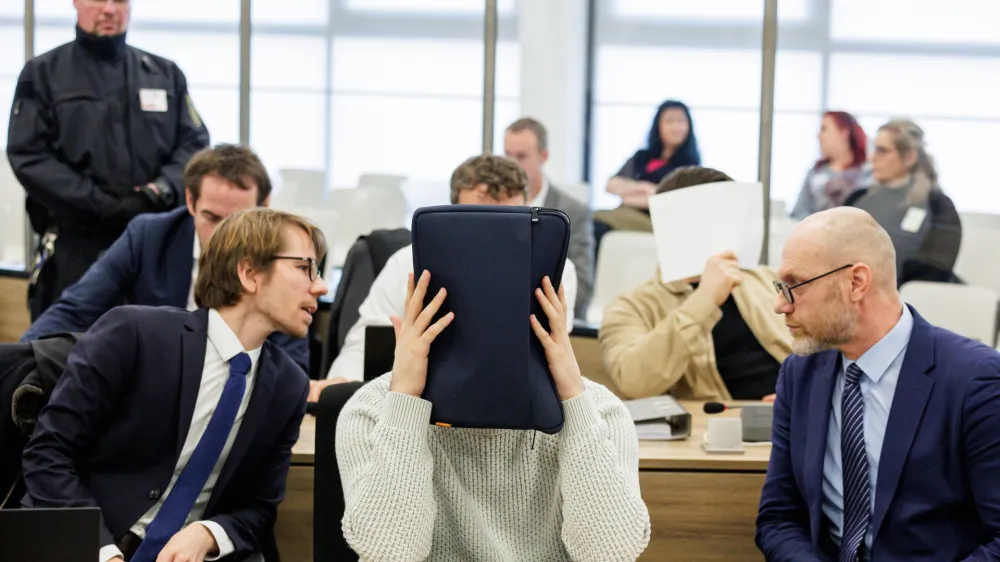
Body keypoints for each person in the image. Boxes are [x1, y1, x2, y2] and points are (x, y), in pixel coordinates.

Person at [21, 208, 328, 562]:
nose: (320, 286)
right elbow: (48, 454)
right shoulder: (134, 333)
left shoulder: (287, 386)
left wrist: (208, 533)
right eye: (305, 268)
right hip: (88, 543)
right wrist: (103, 553)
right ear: (249, 273)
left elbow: (258, 507)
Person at [337, 270, 650, 561]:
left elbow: (610, 554)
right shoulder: (372, 411)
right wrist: (405, 396)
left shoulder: (601, 413)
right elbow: (390, 553)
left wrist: (573, 395)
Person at [756, 207, 1000, 561]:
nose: (780, 305)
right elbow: (779, 517)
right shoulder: (800, 373)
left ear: (856, 282)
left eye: (794, 285)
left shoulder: (975, 379)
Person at [19, 144, 310, 371]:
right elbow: (74, 310)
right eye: (212, 217)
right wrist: (15, 362)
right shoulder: (149, 235)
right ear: (190, 201)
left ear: (265, 207)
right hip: (149, 393)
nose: (225, 234)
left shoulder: (283, 259)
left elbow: (293, 363)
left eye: (238, 219)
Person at [7, 0, 210, 321]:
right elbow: (29, 154)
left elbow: (194, 145)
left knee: (157, 349)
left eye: (119, 1)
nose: (109, 10)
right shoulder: (42, 73)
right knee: (66, 350)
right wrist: (97, 203)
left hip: (153, 244)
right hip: (77, 244)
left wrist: (155, 192)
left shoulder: (164, 73)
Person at [318, 154, 578, 394]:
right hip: (415, 399)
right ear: (453, 212)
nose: (494, 234)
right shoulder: (407, 262)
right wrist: (342, 384)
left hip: (517, 402)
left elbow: (552, 357)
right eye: (480, 218)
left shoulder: (555, 269)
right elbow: (364, 344)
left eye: (510, 219)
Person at [600, 167, 791, 400]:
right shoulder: (632, 306)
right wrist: (704, 300)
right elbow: (632, 382)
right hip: (718, 426)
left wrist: (801, 394)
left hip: (795, 413)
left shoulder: (769, 280)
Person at [845, 119, 961, 286]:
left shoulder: (938, 205)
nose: (872, 158)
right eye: (873, 149)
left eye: (882, 150)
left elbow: (936, 270)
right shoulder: (857, 197)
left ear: (910, 157)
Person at [505, 117, 594, 319]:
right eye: (507, 155)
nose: (512, 165)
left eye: (521, 156)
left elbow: (582, 286)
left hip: (550, 321)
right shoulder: (492, 208)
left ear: (543, 156)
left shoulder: (574, 212)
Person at [594, 100, 700, 252]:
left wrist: (629, 195)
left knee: (598, 225)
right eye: (670, 121)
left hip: (657, 221)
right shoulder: (642, 157)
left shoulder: (690, 166)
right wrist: (645, 187)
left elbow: (672, 201)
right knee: (589, 221)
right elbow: (611, 185)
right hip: (626, 212)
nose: (676, 127)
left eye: (681, 121)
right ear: (658, 125)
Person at [790, 111, 869, 219]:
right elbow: (799, 212)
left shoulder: (867, 173)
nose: (819, 136)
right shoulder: (816, 172)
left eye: (824, 129)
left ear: (843, 132)